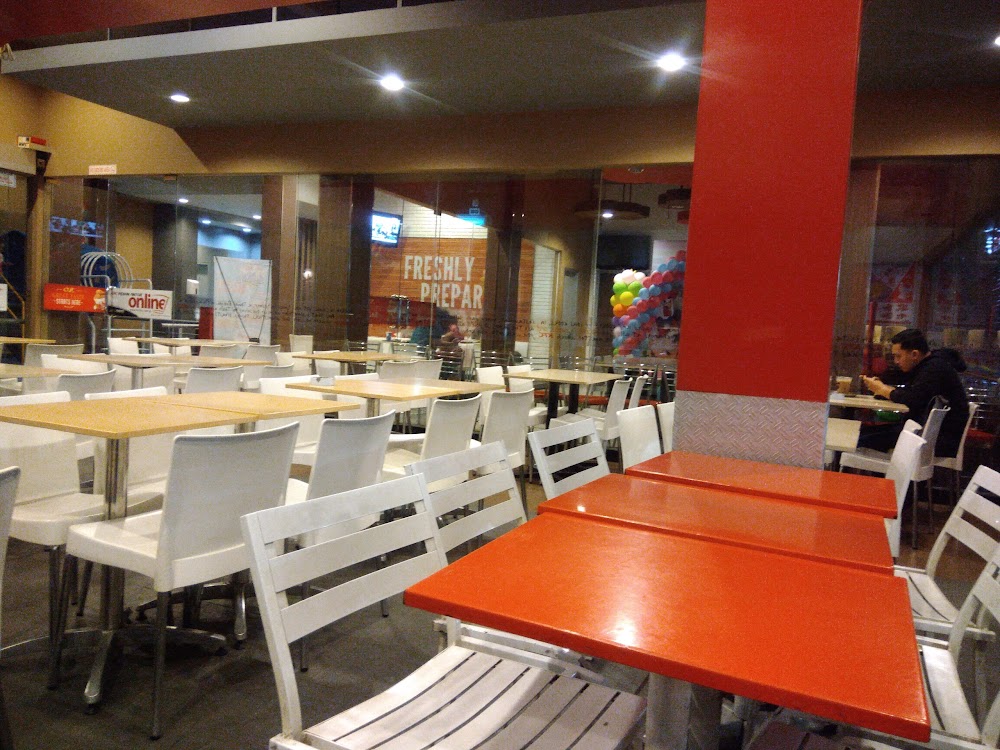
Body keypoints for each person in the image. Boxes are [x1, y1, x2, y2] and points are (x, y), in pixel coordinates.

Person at [858, 328, 969, 457]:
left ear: (914, 354)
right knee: (861, 432)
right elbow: (911, 393)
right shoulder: (928, 366)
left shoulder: (934, 368)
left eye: (898, 356)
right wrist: (882, 390)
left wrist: (883, 390)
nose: (896, 361)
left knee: (858, 438)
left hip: (935, 440)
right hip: (924, 433)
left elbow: (913, 399)